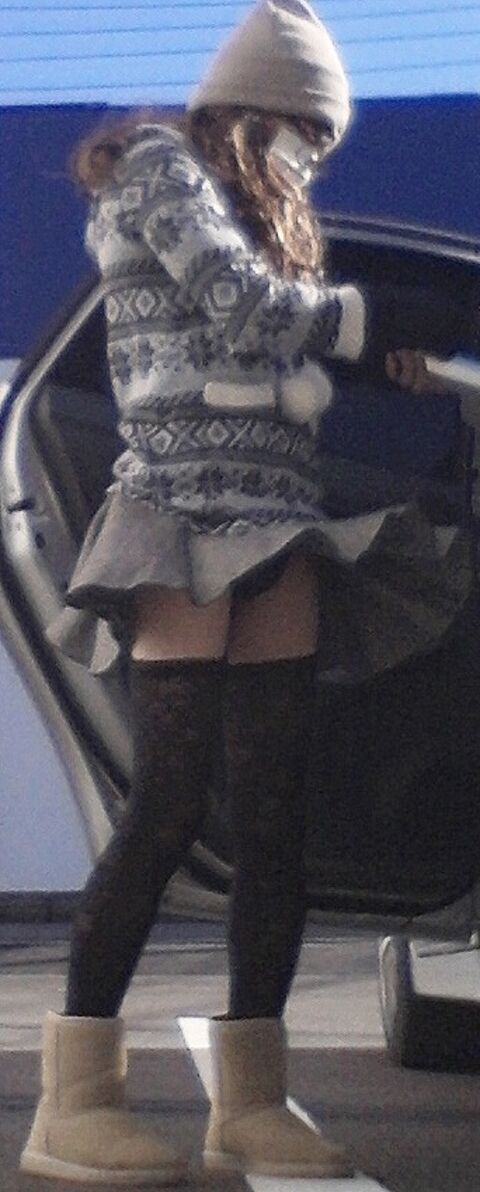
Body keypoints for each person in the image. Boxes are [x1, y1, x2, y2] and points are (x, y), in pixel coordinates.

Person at [20, 0, 479, 1184]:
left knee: (276, 820)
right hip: (178, 514)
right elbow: (242, 309)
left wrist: (386, 358)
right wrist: (378, 317)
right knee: (169, 804)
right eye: (307, 131)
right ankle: (72, 1105)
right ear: (259, 104)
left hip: (279, 519)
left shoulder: (259, 210)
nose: (311, 158)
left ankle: (253, 1102)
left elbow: (272, 345)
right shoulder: (158, 167)